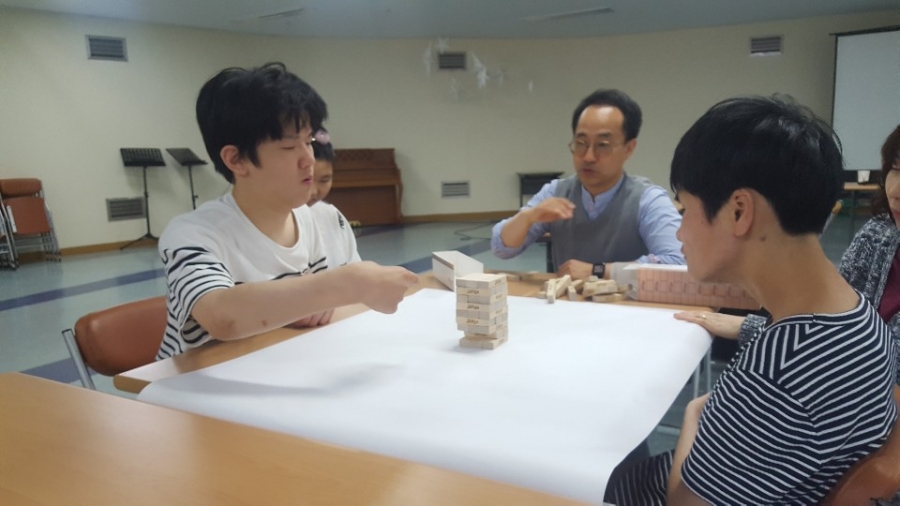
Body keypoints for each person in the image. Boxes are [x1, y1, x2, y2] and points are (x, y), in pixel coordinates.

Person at [606, 96, 897, 505]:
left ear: (739, 211)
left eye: (686, 209)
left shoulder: (779, 372)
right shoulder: (860, 318)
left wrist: (694, 415)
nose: (680, 233)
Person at [156, 62, 417, 360]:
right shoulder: (193, 234)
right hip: (197, 382)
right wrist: (345, 284)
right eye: (290, 147)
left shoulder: (328, 220)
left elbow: (350, 311)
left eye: (309, 142)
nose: (309, 159)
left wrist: (310, 300)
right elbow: (222, 316)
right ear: (236, 160)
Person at [678, 124, 900, 385]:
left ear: (741, 209)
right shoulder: (879, 234)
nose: (895, 191)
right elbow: (833, 325)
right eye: (895, 169)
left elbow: (854, 354)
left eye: (687, 209)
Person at [491, 89, 684, 280]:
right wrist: (528, 217)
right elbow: (501, 248)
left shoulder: (647, 200)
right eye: (581, 143)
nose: (588, 157)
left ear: (629, 148)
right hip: (567, 299)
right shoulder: (556, 192)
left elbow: (679, 263)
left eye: (603, 145)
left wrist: (597, 271)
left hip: (627, 300)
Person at [309, 128, 362, 270]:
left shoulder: (331, 215)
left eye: (324, 180)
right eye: (307, 180)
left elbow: (353, 266)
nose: (314, 191)